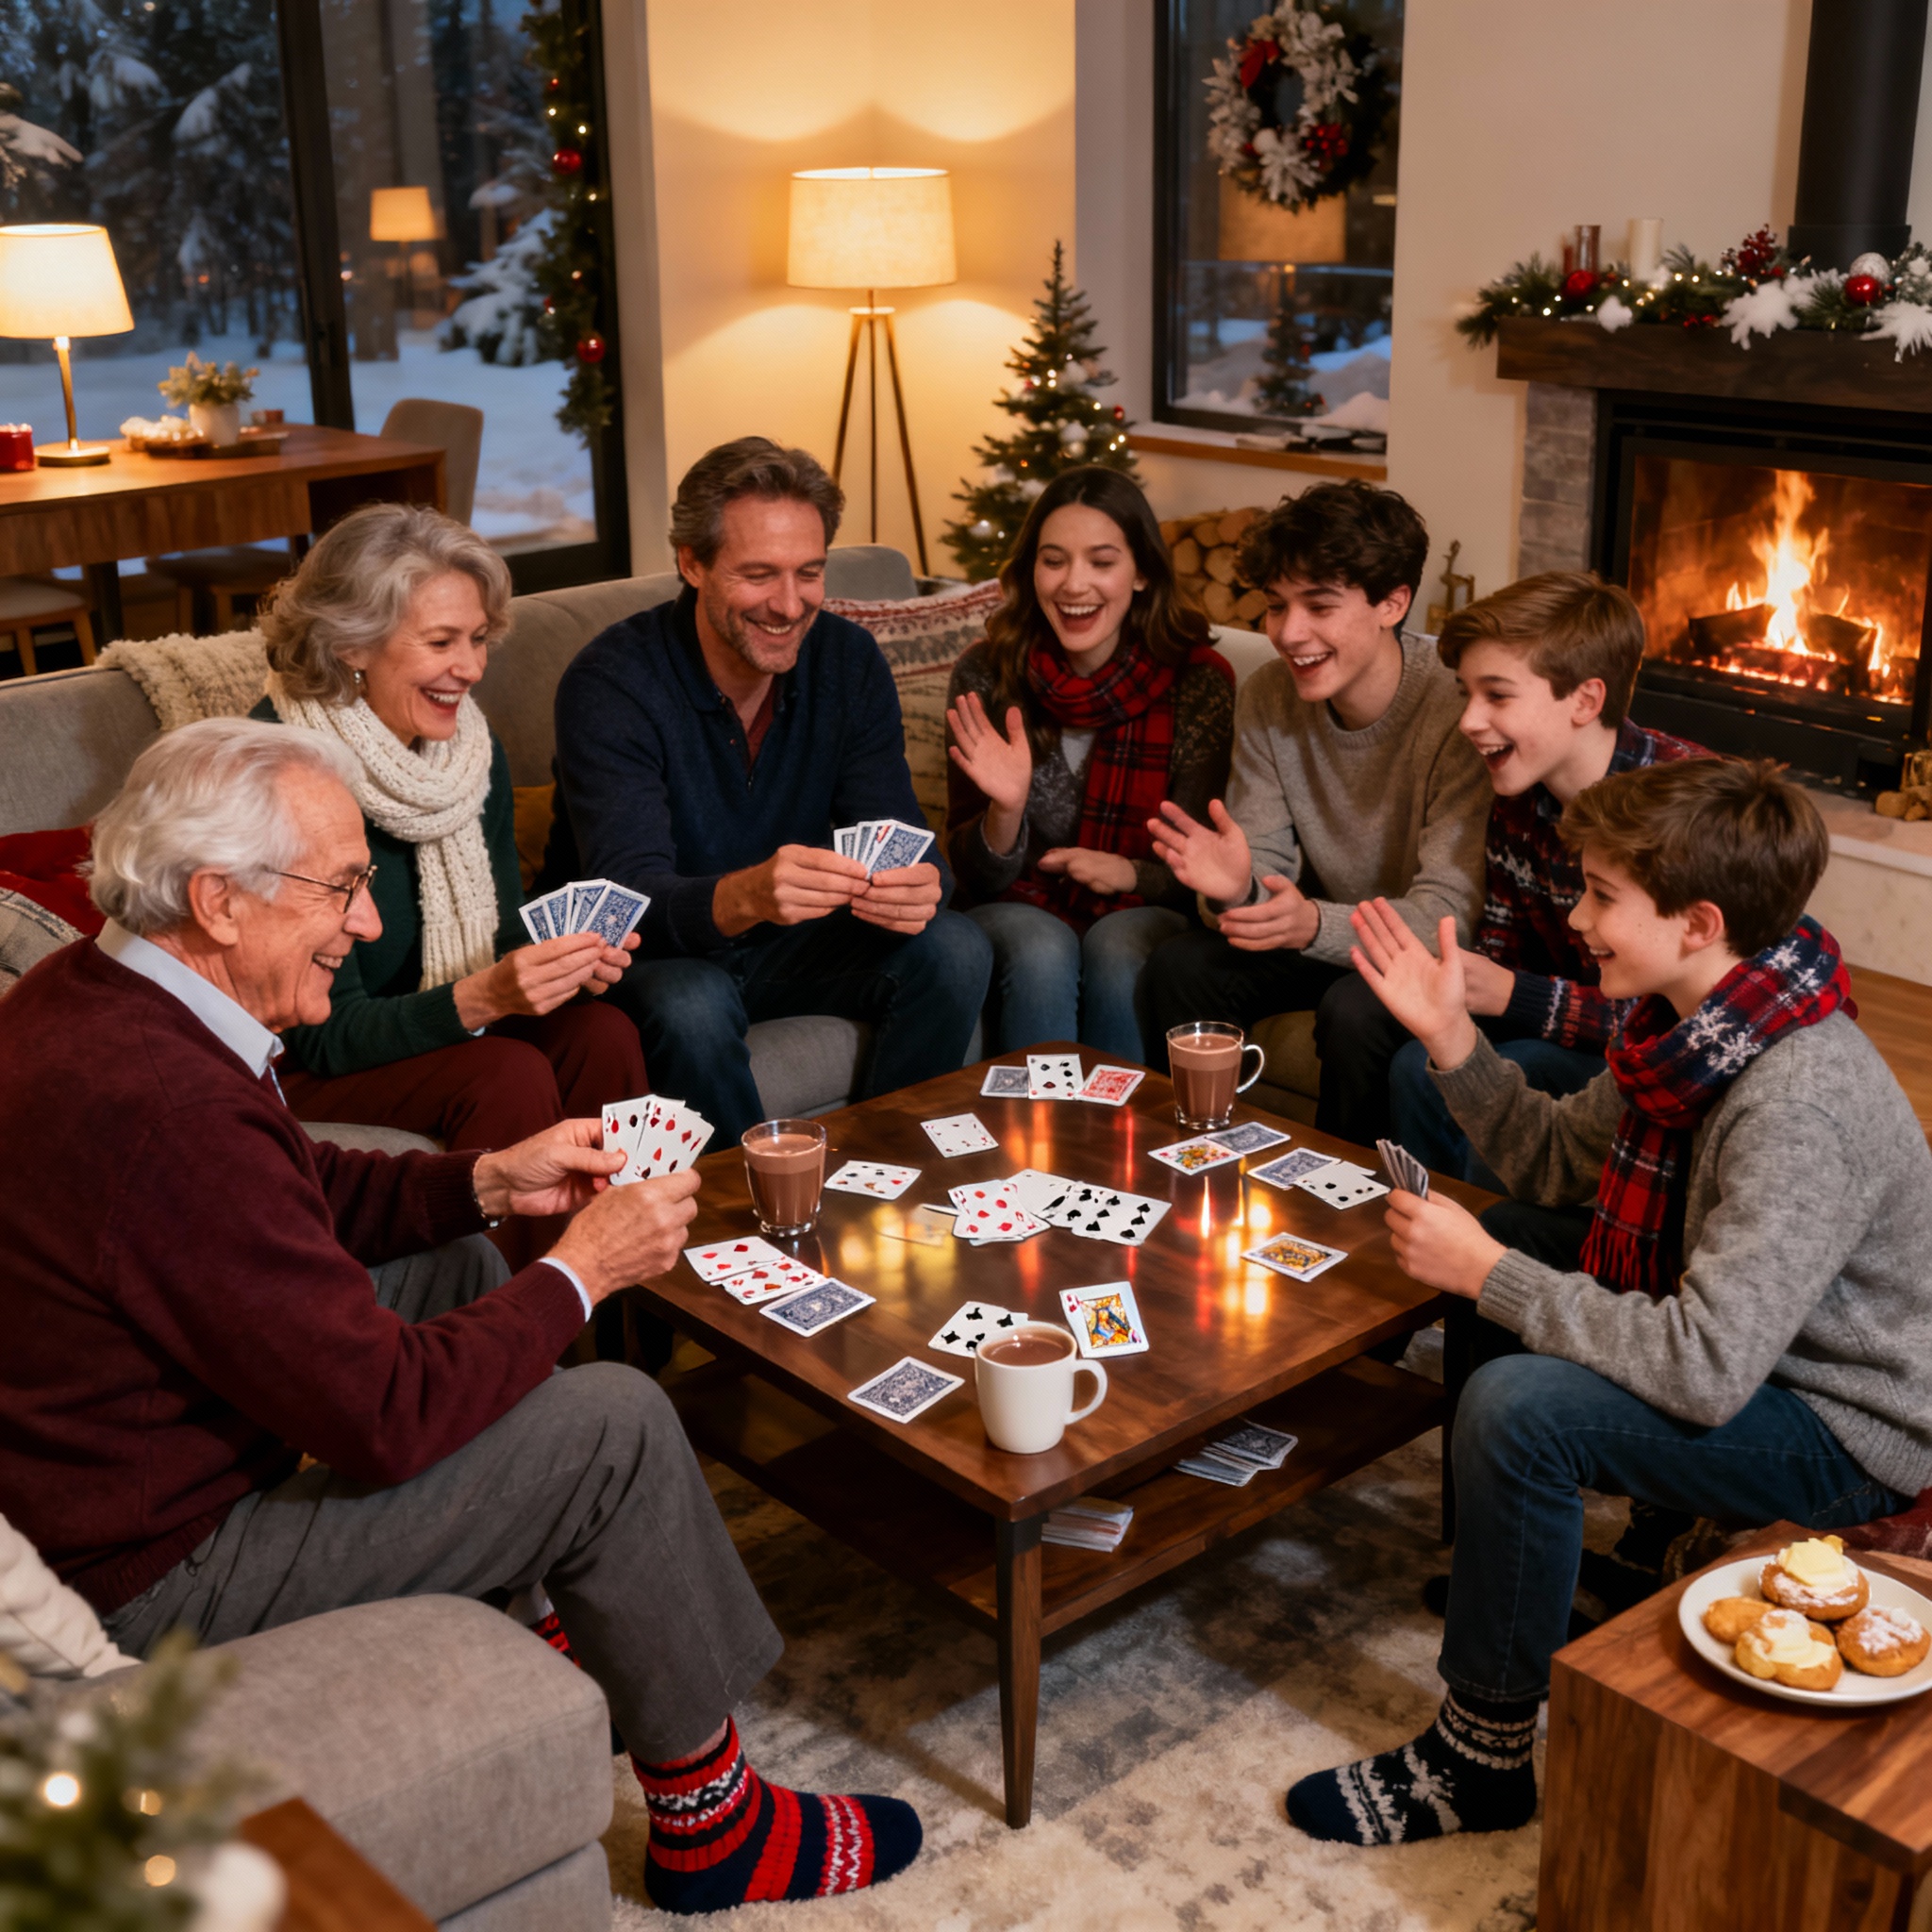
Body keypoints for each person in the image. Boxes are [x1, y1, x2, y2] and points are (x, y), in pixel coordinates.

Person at [0, 719, 922, 1914]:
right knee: (618, 1421)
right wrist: (580, 1270)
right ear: (220, 900)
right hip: (153, 1573)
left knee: (449, 1263)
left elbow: (288, 1191)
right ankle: (716, 1825)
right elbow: (382, 1415)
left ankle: (524, 1604)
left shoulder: (101, 985)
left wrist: (482, 1180)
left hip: (115, 1473)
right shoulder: (162, 1099)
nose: (369, 923)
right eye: (340, 888)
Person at [1286, 758, 1932, 1847]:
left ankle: (1479, 1756)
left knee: (1516, 1404)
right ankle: (1538, 1579)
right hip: (1752, 1346)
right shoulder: (1688, 1030)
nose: (1572, 917)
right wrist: (1450, 1039)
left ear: (1696, 921)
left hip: (1843, 1421)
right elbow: (1546, 1162)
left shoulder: (1795, 1099)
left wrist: (1485, 1271)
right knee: (1515, 1243)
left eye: (1598, 896)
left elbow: (1703, 1364)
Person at [550, 437, 991, 1145]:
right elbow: (624, 897)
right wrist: (747, 894)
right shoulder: (610, 684)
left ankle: (887, 1175)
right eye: (759, 575)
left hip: (790, 944)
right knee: (693, 1002)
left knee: (956, 947)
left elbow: (899, 833)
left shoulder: (847, 661)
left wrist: (921, 884)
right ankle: (756, 1224)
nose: (790, 605)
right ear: (691, 563)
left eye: (808, 573)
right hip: (654, 957)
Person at [256, 502, 644, 1271]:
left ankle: (636, 1297)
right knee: (507, 1072)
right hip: (305, 1060)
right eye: (440, 643)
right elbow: (325, 1034)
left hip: (433, 1019)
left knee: (605, 1032)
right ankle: (531, 1331)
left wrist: (558, 961)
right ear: (351, 644)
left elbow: (491, 938)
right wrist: (489, 997)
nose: (470, 667)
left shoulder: (471, 752)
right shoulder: (284, 774)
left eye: (476, 640)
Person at [1142, 480, 1491, 1147]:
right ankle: (1194, 1162)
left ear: (1394, 602)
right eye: (1276, 606)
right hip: (1324, 931)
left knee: (1355, 1011)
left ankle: (1342, 1218)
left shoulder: (1456, 707)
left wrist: (1310, 924)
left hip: (1416, 951)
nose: (1287, 633)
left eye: (1319, 606)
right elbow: (1260, 873)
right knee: (1179, 966)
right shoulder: (1271, 695)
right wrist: (1239, 891)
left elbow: (1450, 915)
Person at [1389, 570, 1703, 1186]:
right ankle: (1415, 1235)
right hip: (1560, 1018)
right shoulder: (1516, 796)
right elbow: (1506, 942)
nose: (1468, 721)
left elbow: (1685, 1016)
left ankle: (1481, 1248)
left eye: (1497, 696)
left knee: (1524, 1067)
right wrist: (1464, 984)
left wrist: (1509, 994)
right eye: (1466, 694)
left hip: (1653, 1047)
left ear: (1586, 701)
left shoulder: (1682, 809)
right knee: (1410, 1061)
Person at [944, 466, 1233, 1061]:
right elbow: (974, 877)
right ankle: (1033, 1141)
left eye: (1101, 562)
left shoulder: (1200, 683)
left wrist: (1132, 874)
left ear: (1143, 572)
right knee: (1040, 947)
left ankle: (1118, 1142)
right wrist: (1006, 808)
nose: (1074, 584)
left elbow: (1208, 866)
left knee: (1119, 942)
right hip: (1016, 903)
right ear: (1032, 570)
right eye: (1054, 560)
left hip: (1145, 906)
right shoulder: (985, 675)